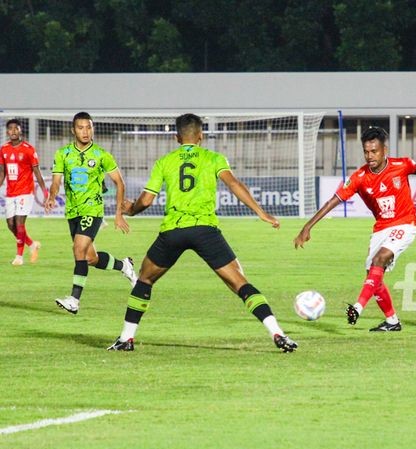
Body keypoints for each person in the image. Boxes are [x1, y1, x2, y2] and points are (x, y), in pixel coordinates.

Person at [107, 113, 297, 352]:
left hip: (173, 231)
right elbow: (234, 184)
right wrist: (260, 212)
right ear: (201, 136)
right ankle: (278, 333)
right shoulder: (214, 158)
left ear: (177, 137)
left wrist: (131, 210)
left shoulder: (165, 162)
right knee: (240, 283)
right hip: (205, 230)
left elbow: (146, 199)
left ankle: (126, 338)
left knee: (144, 279)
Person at [294, 126, 416, 331]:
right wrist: (308, 226)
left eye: (374, 151)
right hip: (381, 229)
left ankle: (358, 307)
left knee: (379, 260)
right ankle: (392, 321)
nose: (369, 156)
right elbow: (334, 200)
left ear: (385, 150)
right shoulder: (359, 177)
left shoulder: (402, 165)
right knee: (373, 276)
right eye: (366, 151)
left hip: (405, 223)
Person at [45, 112, 137, 314]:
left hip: (93, 210)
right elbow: (56, 182)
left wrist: (118, 214)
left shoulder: (101, 155)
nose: (85, 132)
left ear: (93, 128)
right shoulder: (63, 154)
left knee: (78, 249)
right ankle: (125, 266)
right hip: (73, 212)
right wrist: (52, 196)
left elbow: (119, 182)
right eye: (81, 127)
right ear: (73, 130)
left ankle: (74, 300)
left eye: (89, 127)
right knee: (89, 258)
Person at [0, 119, 48, 265]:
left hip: (26, 192)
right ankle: (32, 244)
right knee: (10, 224)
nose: (13, 131)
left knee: (19, 223)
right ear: (7, 131)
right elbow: (2, 171)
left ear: (21, 130)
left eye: (16, 128)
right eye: (10, 128)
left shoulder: (28, 149)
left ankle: (19, 257)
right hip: (11, 192)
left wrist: (45, 192)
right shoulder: (4, 149)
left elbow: (37, 172)